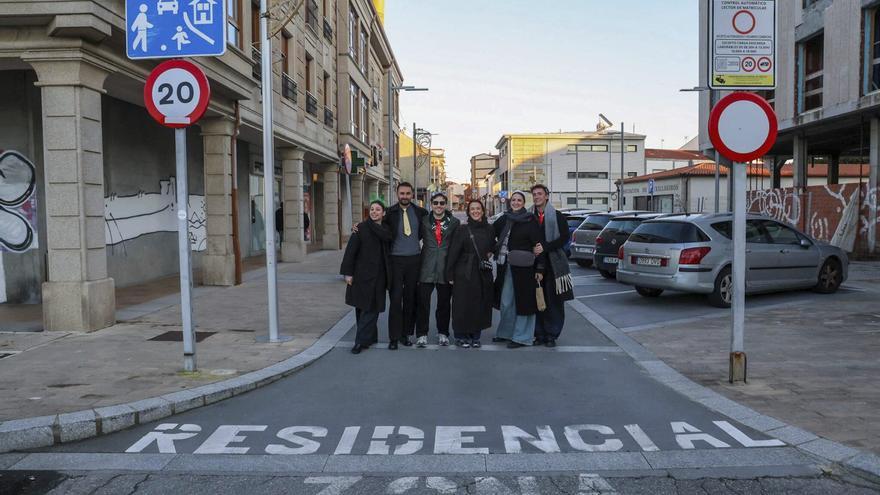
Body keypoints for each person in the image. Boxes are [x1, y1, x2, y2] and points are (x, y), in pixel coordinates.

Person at [493, 191, 544, 348]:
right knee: (506, 302)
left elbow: (538, 245)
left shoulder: (530, 220)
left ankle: (522, 337)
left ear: (523, 203)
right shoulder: (504, 219)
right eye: (513, 200)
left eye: (519, 200)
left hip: (525, 268)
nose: (516, 202)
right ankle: (506, 333)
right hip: (505, 265)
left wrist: (540, 268)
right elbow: (489, 233)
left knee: (524, 303)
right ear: (510, 202)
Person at [340, 201, 393, 354]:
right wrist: (348, 273)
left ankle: (360, 341)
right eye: (372, 209)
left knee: (371, 308)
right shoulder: (361, 228)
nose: (374, 212)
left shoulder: (387, 230)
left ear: (383, 213)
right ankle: (370, 337)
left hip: (379, 276)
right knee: (361, 307)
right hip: (361, 275)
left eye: (378, 210)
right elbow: (350, 252)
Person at [383, 182, 428, 349]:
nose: (405, 196)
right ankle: (393, 337)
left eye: (408, 193)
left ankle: (405, 334)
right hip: (395, 261)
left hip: (414, 260)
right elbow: (375, 226)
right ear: (397, 194)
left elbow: (435, 227)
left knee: (410, 299)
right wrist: (357, 227)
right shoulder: (389, 213)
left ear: (412, 195)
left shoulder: (421, 212)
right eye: (402, 193)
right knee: (395, 300)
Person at [446, 199, 495, 348]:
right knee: (461, 304)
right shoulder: (462, 229)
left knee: (479, 304)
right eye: (472, 209)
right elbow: (453, 252)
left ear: (483, 211)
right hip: (463, 271)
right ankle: (461, 335)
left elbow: (494, 245)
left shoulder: (489, 229)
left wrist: (492, 251)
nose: (475, 211)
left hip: (482, 272)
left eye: (478, 208)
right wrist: (449, 274)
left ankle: (475, 336)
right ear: (468, 212)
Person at [531, 184, 574, 347]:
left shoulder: (557, 216)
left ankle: (551, 335)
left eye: (539, 194)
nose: (537, 197)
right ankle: (539, 334)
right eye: (534, 194)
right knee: (537, 300)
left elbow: (564, 237)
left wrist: (545, 246)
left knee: (553, 301)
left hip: (553, 264)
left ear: (546, 196)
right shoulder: (529, 216)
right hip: (534, 263)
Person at [415, 192, 460, 347]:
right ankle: (421, 334)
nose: (439, 206)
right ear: (431, 204)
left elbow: (459, 244)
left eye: (442, 203)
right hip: (426, 268)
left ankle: (443, 333)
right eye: (436, 203)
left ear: (446, 204)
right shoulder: (424, 221)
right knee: (423, 304)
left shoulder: (454, 222)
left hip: (445, 269)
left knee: (444, 304)